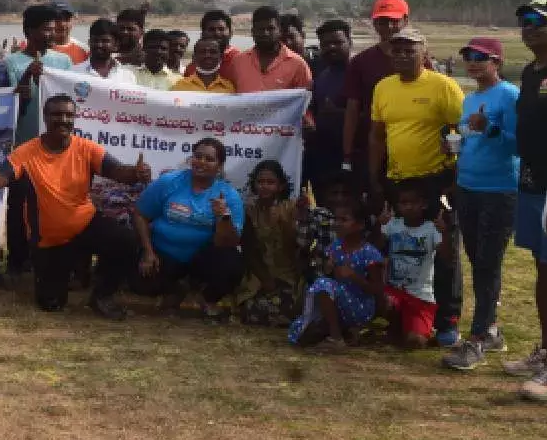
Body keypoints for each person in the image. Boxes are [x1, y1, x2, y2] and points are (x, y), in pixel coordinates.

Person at [0, 95, 150, 315]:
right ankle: (68, 273)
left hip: (84, 224)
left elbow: (118, 172)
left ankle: (102, 296)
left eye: (69, 115)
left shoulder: (86, 148)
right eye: (57, 114)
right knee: (51, 304)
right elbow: (2, 176)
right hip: (50, 240)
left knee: (126, 240)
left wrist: (135, 173)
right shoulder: (26, 152)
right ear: (45, 117)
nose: (63, 119)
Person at [368, 26, 464, 345]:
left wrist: (456, 176)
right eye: (397, 50)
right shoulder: (383, 87)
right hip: (397, 181)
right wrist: (374, 177)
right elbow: (377, 136)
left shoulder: (443, 86)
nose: (402, 55)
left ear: (424, 53)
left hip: (435, 180)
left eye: (410, 50)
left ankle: (447, 320)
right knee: (401, 248)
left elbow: (460, 132)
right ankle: (404, 313)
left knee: (444, 250)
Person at [501, 0, 547, 402]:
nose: (529, 27)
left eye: (540, 21)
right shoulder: (529, 72)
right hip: (531, 183)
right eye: (525, 21)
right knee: (542, 268)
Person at [442, 37, 518, 370]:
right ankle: (492, 330)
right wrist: (454, 146)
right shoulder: (470, 99)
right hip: (468, 187)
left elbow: (519, 144)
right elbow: (469, 138)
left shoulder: (510, 95)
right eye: (468, 57)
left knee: (487, 263)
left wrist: (490, 128)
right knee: (479, 262)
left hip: (499, 190)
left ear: (497, 62)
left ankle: (475, 341)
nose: (472, 62)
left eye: (480, 57)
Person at [134, 138, 246, 320]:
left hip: (201, 259)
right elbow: (140, 215)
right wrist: (148, 252)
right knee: (141, 282)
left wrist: (223, 216)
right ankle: (176, 290)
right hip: (163, 254)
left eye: (209, 159)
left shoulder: (229, 196)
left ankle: (206, 297)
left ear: (219, 166)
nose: (201, 162)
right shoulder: (169, 182)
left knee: (232, 264)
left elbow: (229, 242)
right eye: (197, 156)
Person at [3, 6, 78, 275]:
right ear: (29, 31)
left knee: (55, 204)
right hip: (25, 147)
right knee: (20, 204)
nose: (51, 34)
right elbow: (12, 106)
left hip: (57, 149)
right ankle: (18, 259)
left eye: (54, 29)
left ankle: (53, 258)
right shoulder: (11, 63)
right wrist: (26, 78)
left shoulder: (63, 62)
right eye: (46, 29)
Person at [287, 197, 385, 352]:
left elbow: (378, 288)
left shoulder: (369, 253)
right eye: (336, 219)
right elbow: (331, 278)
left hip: (360, 306)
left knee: (322, 284)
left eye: (344, 220)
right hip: (340, 303)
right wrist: (329, 269)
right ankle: (341, 331)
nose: (337, 224)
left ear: (359, 225)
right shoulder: (335, 247)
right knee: (300, 333)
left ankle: (336, 338)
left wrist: (355, 277)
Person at [342, 0, 414, 195]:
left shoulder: (420, 60)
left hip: (411, 147)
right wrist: (347, 155)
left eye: (394, 21)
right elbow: (352, 110)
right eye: (382, 22)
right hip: (372, 147)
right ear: (374, 23)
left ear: (405, 21)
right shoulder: (360, 62)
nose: (388, 27)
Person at [380, 181, 451, 349]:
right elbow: (375, 248)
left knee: (415, 342)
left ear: (424, 204)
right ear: (397, 205)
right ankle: (395, 327)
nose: (409, 207)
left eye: (414, 202)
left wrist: (445, 233)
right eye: (404, 203)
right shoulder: (393, 225)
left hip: (420, 297)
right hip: (394, 292)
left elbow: (447, 257)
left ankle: (419, 330)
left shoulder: (431, 229)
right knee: (383, 300)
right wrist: (380, 224)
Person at [236, 161, 302, 327]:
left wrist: (284, 223)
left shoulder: (291, 208)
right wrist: (266, 280)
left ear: (281, 186)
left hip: (287, 274)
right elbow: (248, 250)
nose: (264, 186)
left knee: (290, 308)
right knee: (251, 311)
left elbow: (296, 246)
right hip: (259, 276)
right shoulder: (249, 210)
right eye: (260, 182)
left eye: (270, 182)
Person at [306, 20, 353, 186]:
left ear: (349, 42)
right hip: (323, 156)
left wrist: (339, 113)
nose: (331, 47)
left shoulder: (359, 73)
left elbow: (376, 118)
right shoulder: (321, 76)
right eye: (326, 44)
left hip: (353, 155)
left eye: (337, 42)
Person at [226, 6, 313, 93]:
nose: (265, 33)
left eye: (271, 28)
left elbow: (305, 98)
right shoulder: (238, 62)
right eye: (260, 29)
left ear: (279, 31)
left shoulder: (298, 64)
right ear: (253, 32)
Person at [71, 18, 136, 83]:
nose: (99, 45)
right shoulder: (74, 73)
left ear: (116, 45)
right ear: (89, 42)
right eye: (95, 40)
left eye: (105, 41)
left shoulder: (127, 76)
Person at [172, 37, 237, 94]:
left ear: (220, 57)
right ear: (194, 57)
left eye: (213, 52)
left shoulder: (230, 88)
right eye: (202, 52)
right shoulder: (179, 87)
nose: (207, 55)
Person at [184, 10, 237, 77]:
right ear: (202, 34)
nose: (217, 33)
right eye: (211, 29)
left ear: (230, 33)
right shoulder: (194, 66)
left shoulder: (238, 60)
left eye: (221, 29)